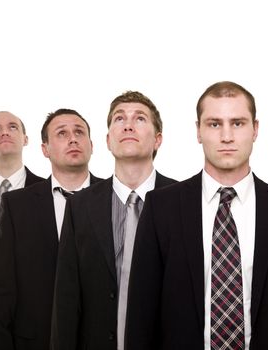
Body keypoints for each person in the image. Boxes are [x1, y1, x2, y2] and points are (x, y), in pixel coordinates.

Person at [125, 81, 268, 350]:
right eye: (214, 124)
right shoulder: (160, 207)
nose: (227, 136)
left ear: (255, 129)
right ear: (199, 131)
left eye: (237, 123)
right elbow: (141, 317)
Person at [51, 91, 176, 350]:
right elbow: (66, 299)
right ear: (108, 141)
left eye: (140, 118)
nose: (128, 124)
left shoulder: (182, 202)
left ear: (158, 140)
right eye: (119, 118)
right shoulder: (80, 206)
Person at [0, 109, 100, 350]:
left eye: (79, 132)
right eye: (62, 133)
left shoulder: (113, 198)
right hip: (34, 341)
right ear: (45, 149)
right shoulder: (16, 205)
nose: (73, 138)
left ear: (92, 144)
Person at [0, 111, 43, 350]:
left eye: (12, 127)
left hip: (29, 322)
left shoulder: (47, 192)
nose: (4, 131)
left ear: (26, 139)